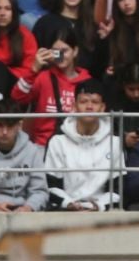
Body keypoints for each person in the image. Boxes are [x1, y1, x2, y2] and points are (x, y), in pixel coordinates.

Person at [11, 21, 91, 145]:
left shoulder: (87, 82)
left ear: (75, 51)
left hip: (76, 147)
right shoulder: (43, 77)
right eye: (56, 51)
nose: (60, 56)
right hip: (43, 145)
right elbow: (17, 98)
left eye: (65, 51)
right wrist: (33, 70)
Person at [45, 78, 119, 208]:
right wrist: (68, 204)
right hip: (66, 210)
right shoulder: (58, 141)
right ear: (74, 106)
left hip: (102, 211)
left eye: (95, 102)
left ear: (102, 108)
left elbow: (119, 189)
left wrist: (99, 206)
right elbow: (50, 185)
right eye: (83, 101)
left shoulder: (114, 142)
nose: (89, 107)